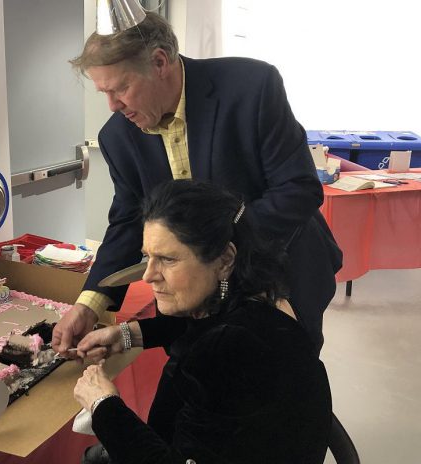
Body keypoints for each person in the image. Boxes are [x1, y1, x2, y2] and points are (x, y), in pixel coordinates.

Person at [51, 12, 341, 355]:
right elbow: (129, 221)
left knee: (284, 382)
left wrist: (214, 246)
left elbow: (298, 188)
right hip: (193, 293)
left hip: (277, 270)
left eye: (121, 88)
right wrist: (89, 304)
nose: (113, 106)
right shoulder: (118, 137)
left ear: (160, 62)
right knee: (203, 380)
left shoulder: (251, 86)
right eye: (104, 92)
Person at [73, 180, 332, 464]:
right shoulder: (260, 304)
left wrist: (104, 406)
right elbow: (201, 324)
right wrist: (126, 334)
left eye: (167, 259)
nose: (148, 275)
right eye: (147, 257)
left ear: (224, 260)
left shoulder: (229, 353)